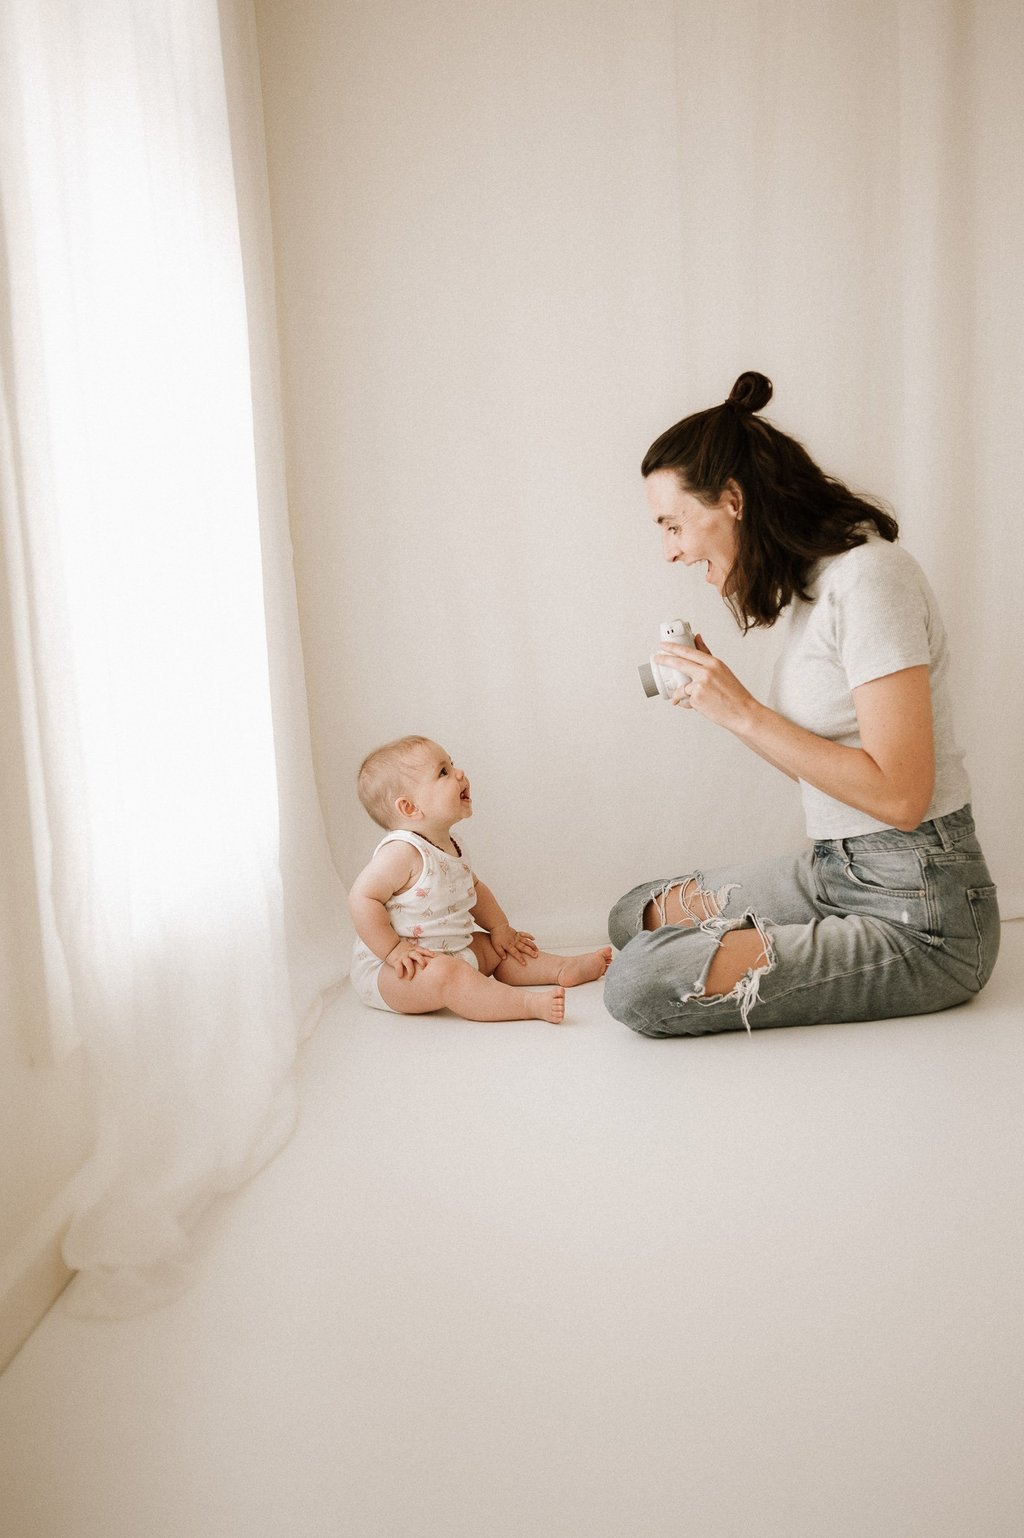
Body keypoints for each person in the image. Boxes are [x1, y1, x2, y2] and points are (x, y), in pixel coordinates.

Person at [604, 371, 1000, 1037]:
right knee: (633, 915)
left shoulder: (869, 578)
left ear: (733, 500)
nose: (670, 551)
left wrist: (744, 711)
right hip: (834, 870)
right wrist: (723, 706)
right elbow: (824, 771)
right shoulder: (815, 588)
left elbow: (902, 796)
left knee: (638, 982)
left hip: (923, 911)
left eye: (673, 525)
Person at [349, 736, 612, 1023]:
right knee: (449, 974)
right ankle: (526, 1004)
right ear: (410, 807)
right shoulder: (401, 851)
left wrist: (500, 928)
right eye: (443, 772)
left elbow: (473, 889)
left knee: (499, 949)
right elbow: (362, 898)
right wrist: (393, 950)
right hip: (395, 972)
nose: (459, 773)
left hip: (451, 950)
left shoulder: (452, 844)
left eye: (452, 764)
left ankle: (562, 968)